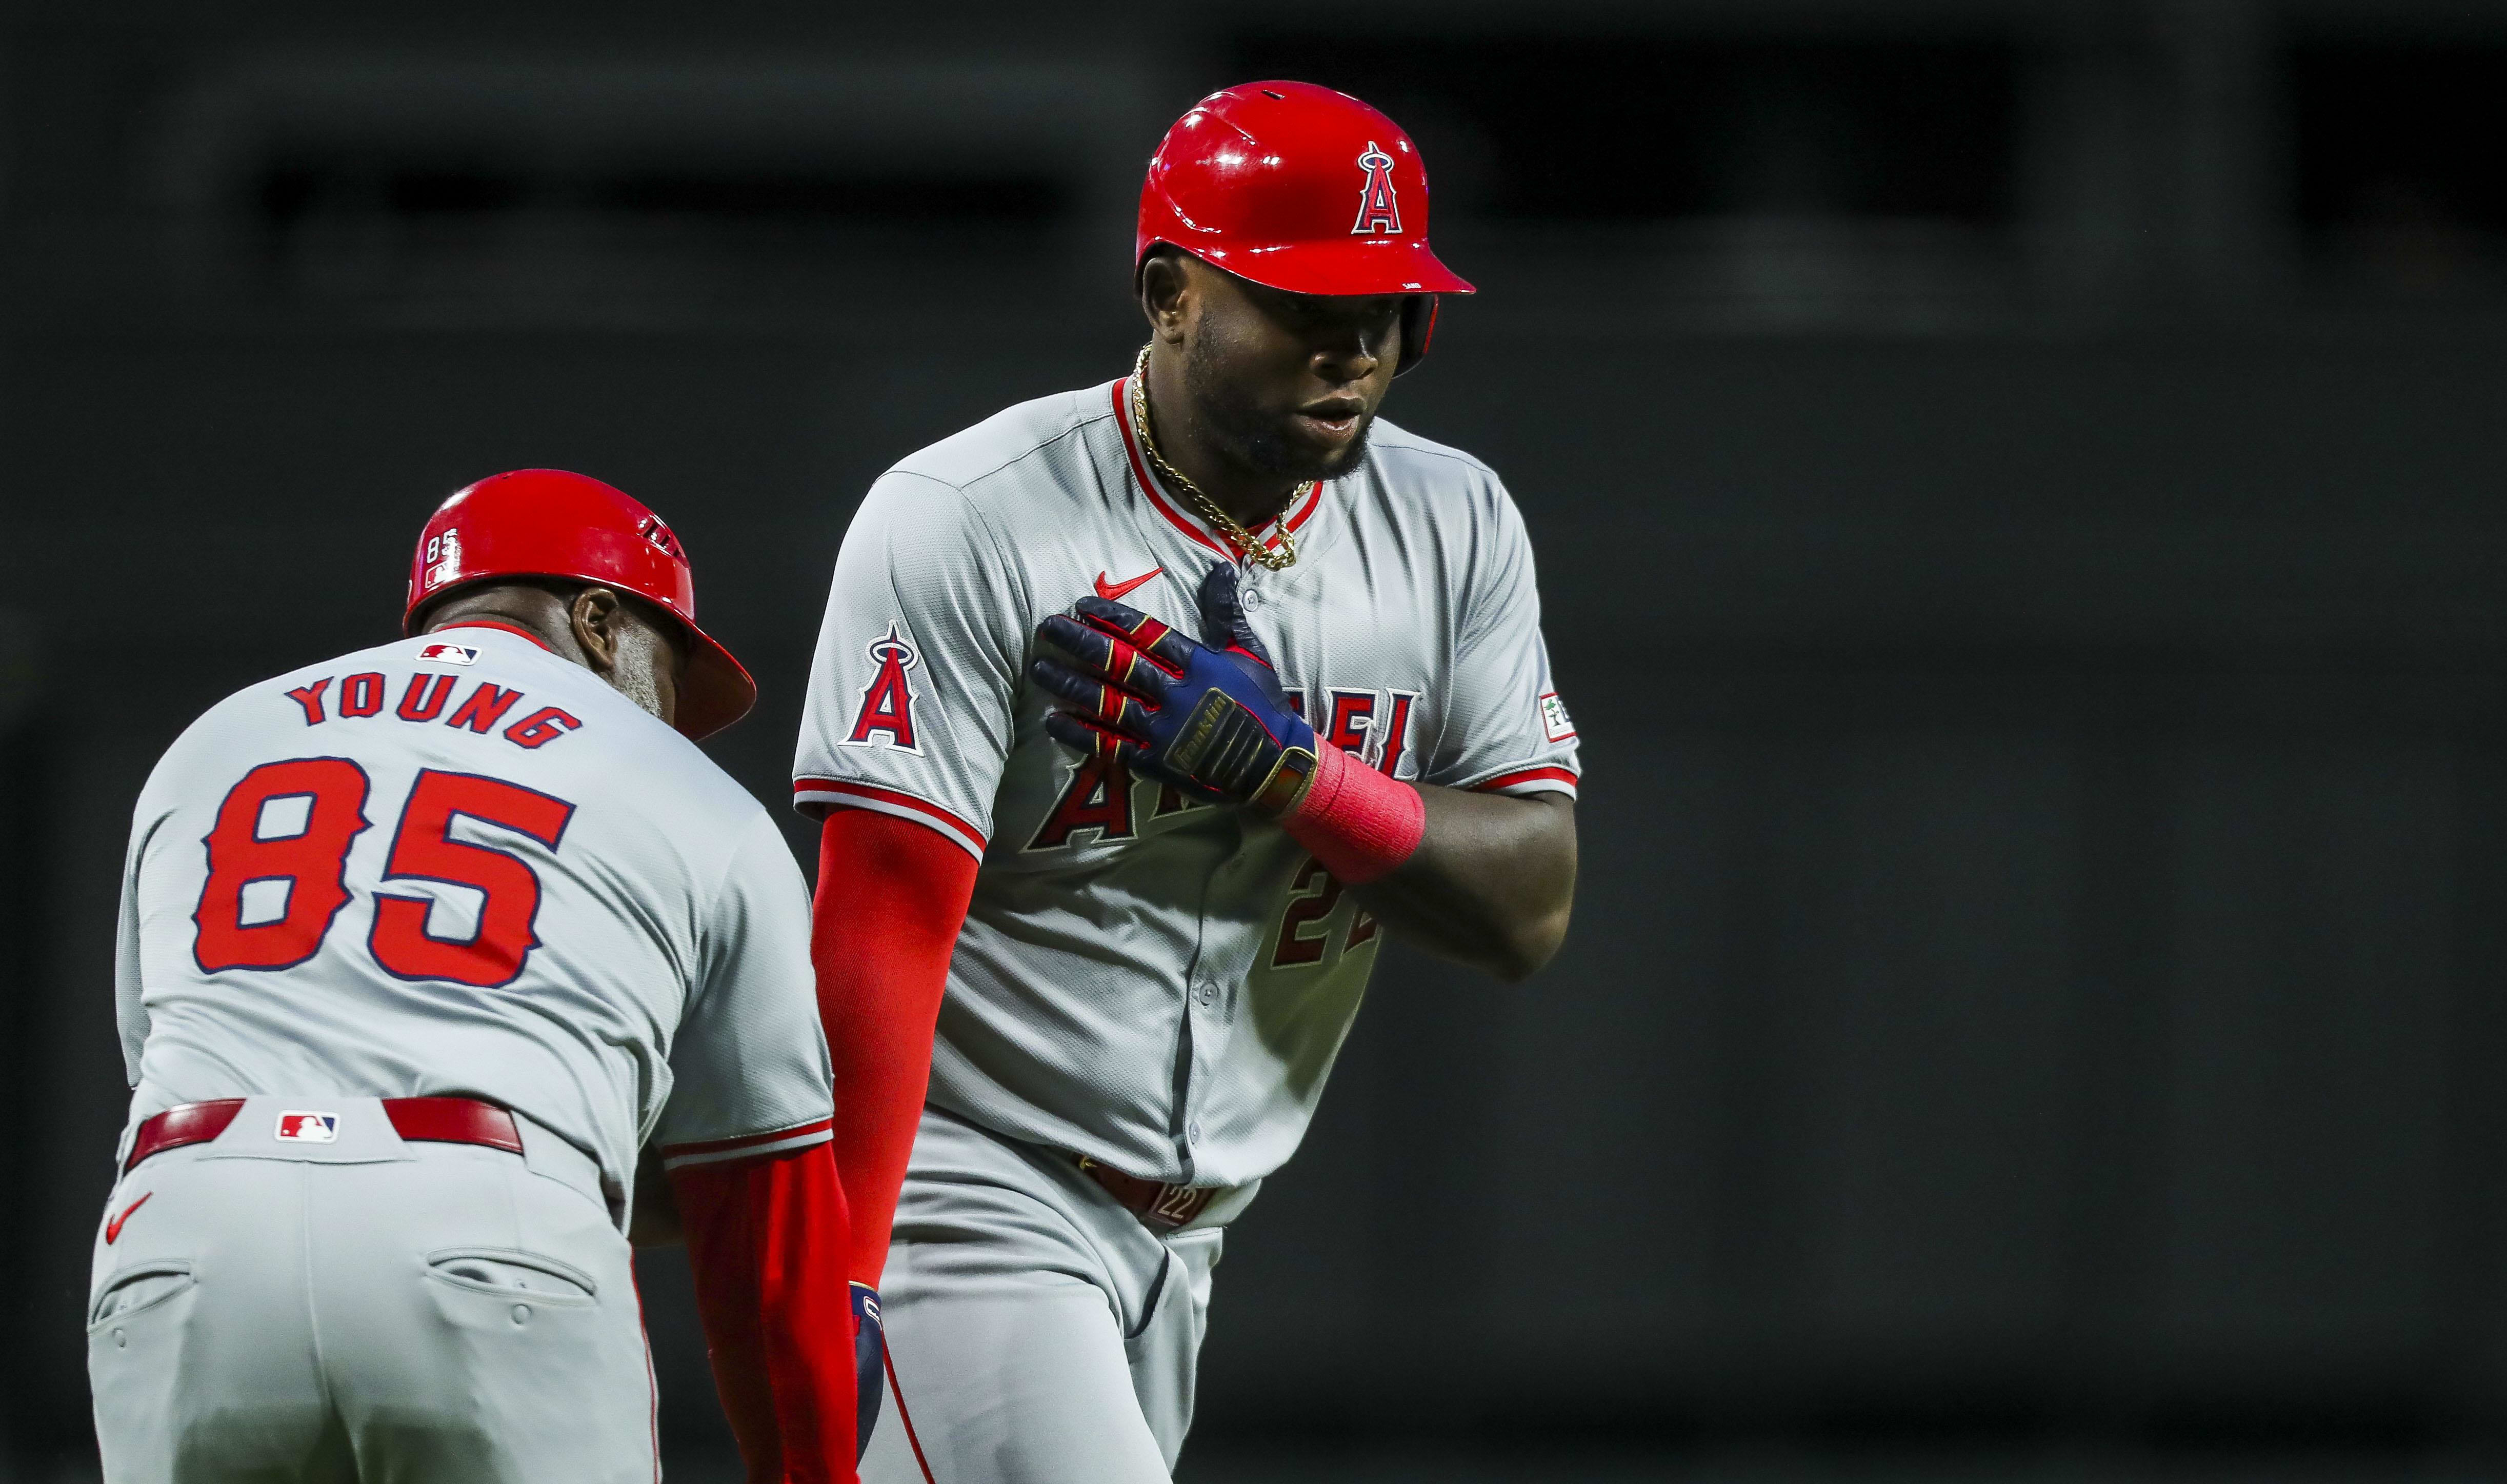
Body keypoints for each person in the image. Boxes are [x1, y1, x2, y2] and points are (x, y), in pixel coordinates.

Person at [795, 82, 1582, 1481]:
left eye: (1386, 307)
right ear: (1169, 292)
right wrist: (834, 1274)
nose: (1352, 348)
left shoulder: (1452, 518)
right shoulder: (972, 516)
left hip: (1192, 1233)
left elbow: (1527, 906)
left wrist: (1294, 774)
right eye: (1302, 303)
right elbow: (880, 922)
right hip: (974, 1187)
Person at [94, 469, 863, 1484]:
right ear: (596, 618)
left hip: (185, 1231)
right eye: (667, 669)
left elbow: (165, 1056)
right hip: (486, 1230)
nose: (670, 712)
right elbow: (768, 1245)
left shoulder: (214, 741)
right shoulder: (689, 792)